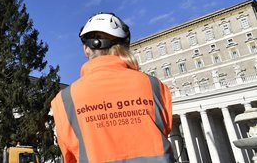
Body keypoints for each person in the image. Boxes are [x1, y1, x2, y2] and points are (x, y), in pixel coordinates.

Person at [51, 13, 174, 162]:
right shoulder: (155, 86)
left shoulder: (64, 100)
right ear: (124, 45)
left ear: (86, 48)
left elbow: (70, 156)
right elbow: (165, 130)